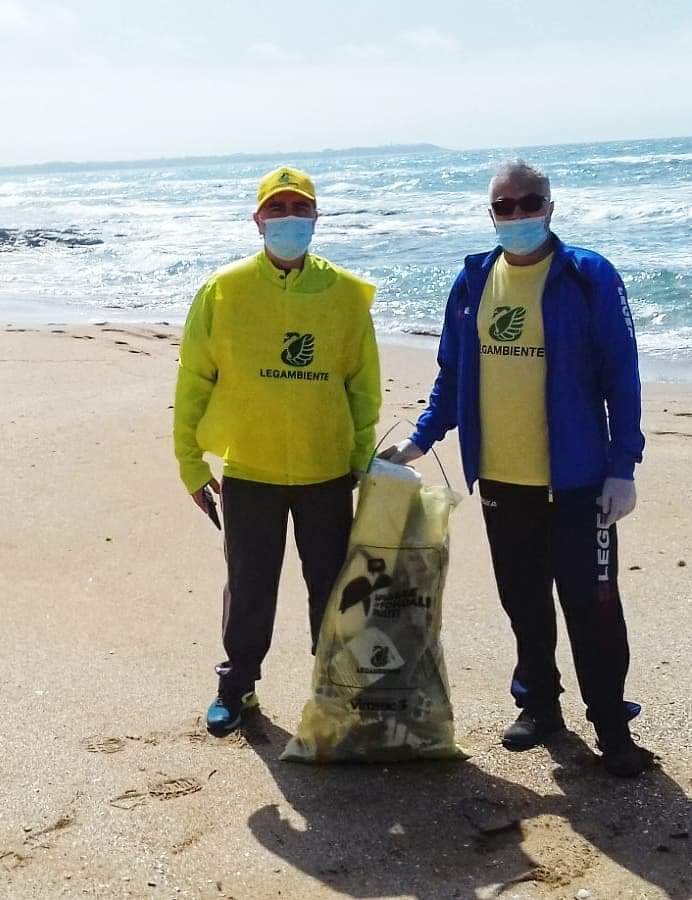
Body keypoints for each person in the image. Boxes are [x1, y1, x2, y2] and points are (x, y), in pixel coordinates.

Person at [381, 159, 654, 777]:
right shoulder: (474, 279)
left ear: (550, 206)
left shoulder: (589, 276)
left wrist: (622, 467)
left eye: (529, 202)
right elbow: (451, 375)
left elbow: (623, 377)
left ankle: (611, 724)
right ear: (492, 215)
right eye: (504, 206)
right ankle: (539, 707)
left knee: (593, 604)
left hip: (580, 482)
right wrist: (420, 442)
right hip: (504, 480)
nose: (518, 214)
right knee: (524, 601)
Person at [173, 166, 381, 735]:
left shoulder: (344, 293)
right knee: (249, 585)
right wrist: (191, 462)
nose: (290, 219)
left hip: (326, 469)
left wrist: (360, 457)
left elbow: (363, 385)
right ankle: (236, 686)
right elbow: (194, 378)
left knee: (332, 588)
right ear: (258, 220)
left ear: (316, 218)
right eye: (278, 209)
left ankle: (336, 697)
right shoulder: (226, 289)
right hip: (250, 467)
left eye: (300, 209)